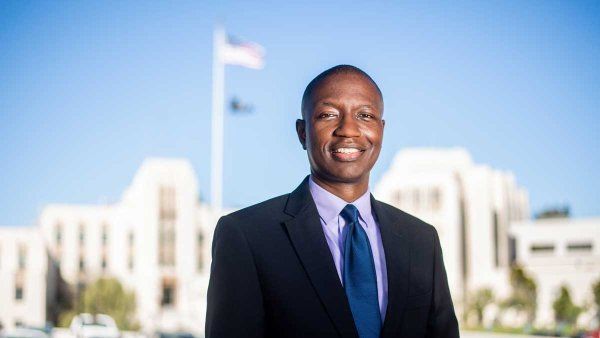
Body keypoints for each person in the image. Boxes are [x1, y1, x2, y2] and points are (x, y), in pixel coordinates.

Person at [206, 65, 459, 338]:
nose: (348, 129)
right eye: (328, 115)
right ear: (302, 133)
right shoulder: (247, 236)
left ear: (381, 130)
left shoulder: (421, 241)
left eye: (365, 115)